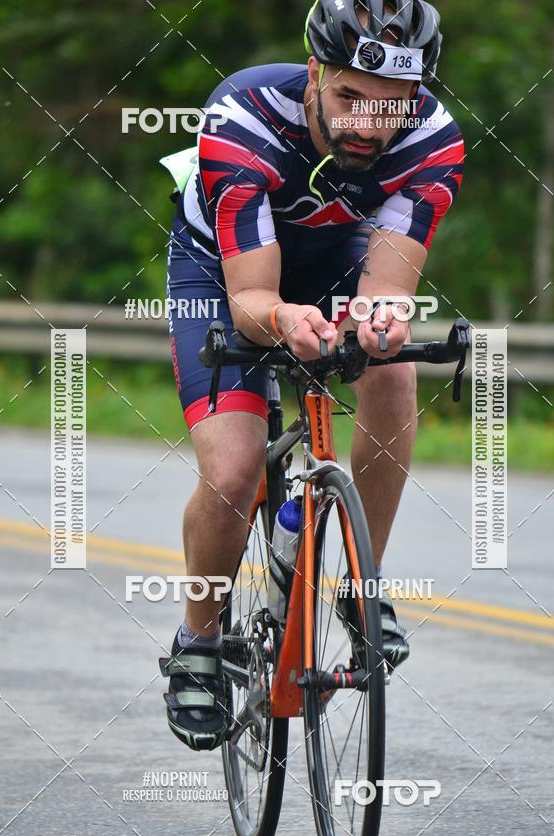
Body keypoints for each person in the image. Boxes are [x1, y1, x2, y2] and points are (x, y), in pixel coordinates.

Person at [160, 0, 464, 750]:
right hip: (224, 273)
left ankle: (362, 586)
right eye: (349, 98)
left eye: (392, 103)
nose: (369, 123)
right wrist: (287, 322)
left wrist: (380, 322)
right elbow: (256, 298)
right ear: (315, 74)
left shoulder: (431, 142)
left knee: (392, 370)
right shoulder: (245, 114)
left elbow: (386, 287)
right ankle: (198, 641)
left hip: (335, 263)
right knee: (232, 473)